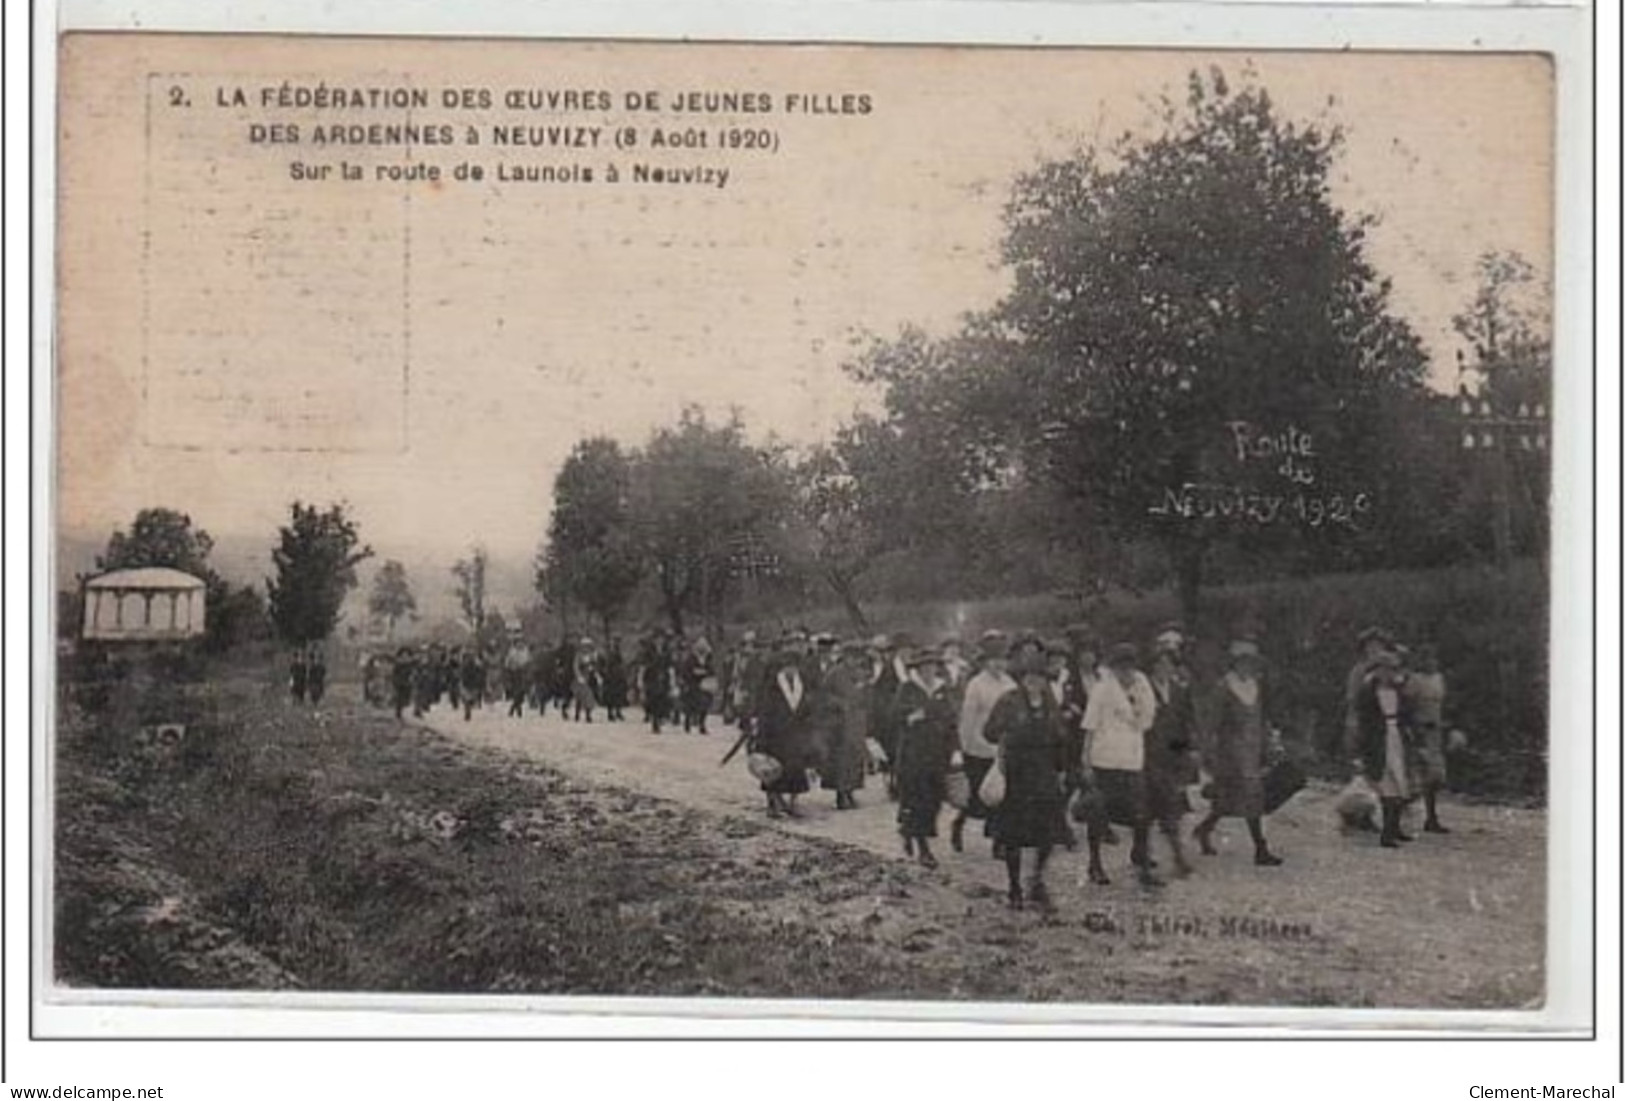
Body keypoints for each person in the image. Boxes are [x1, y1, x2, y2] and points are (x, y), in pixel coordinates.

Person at [984, 650, 1071, 910]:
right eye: (1030, 677)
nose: (1035, 682)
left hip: (1044, 774)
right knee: (1014, 835)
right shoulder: (1008, 701)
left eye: (1040, 677)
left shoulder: (1050, 701)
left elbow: (1061, 737)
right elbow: (988, 731)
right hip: (1017, 775)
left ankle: (1037, 880)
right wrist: (1007, 734)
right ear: (1022, 679)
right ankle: (1014, 887)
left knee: (1047, 834)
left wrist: (1062, 766)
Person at [1193, 638, 1284, 866]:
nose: (1248, 667)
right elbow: (1212, 723)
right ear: (1234, 664)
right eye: (1243, 662)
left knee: (1229, 799)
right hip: (1231, 751)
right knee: (1251, 796)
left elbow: (1262, 718)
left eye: (1251, 663)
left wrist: (1268, 743)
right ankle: (1260, 848)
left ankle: (1204, 829)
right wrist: (1208, 751)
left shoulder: (1256, 686)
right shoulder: (1224, 688)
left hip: (1252, 749)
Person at [1079, 642, 1159, 887]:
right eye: (1121, 668)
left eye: (1130, 667)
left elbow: (1148, 719)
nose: (1126, 672)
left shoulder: (1142, 685)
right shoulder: (1103, 689)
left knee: (1141, 813)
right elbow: (1090, 725)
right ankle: (1095, 864)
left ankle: (1142, 863)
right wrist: (1086, 760)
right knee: (1099, 813)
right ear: (1113, 669)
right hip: (1106, 758)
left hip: (1133, 758)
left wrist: (1137, 705)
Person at [893, 649, 959, 868]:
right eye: (924, 667)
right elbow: (894, 715)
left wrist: (954, 748)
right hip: (914, 754)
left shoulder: (943, 689)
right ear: (918, 669)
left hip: (938, 753)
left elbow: (951, 718)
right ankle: (923, 847)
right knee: (917, 798)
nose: (929, 670)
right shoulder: (908, 688)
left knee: (935, 798)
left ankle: (908, 830)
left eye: (932, 666)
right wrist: (911, 717)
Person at [953, 630, 1016, 857]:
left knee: (1003, 796)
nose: (998, 665)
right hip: (978, 747)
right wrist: (964, 746)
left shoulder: (1009, 683)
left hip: (1002, 748)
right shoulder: (976, 685)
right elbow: (967, 720)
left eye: (1002, 660)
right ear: (985, 662)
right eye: (994, 660)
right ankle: (959, 823)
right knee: (979, 798)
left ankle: (998, 841)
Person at [1144, 640, 1198, 878]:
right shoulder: (1143, 688)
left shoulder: (1179, 691)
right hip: (1148, 755)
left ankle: (1159, 852)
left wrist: (1187, 751)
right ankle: (1175, 856)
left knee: (1169, 807)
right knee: (1157, 807)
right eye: (1159, 664)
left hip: (1172, 757)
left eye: (1169, 664)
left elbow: (1186, 723)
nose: (1164, 669)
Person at [1354, 649, 1418, 848]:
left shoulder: (1398, 692)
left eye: (1394, 669)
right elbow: (1364, 722)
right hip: (1379, 739)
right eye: (1388, 669)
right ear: (1379, 670)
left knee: (1400, 781)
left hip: (1396, 736)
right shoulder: (1368, 692)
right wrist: (1363, 746)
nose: (1391, 673)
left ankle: (1395, 827)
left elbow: (1406, 714)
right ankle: (1387, 832)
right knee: (1387, 783)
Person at [754, 634, 815, 818]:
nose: (791, 671)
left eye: (794, 667)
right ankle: (772, 802)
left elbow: (806, 707)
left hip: (796, 734)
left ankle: (792, 802)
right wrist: (762, 738)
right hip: (776, 734)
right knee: (773, 771)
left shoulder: (801, 683)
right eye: (788, 667)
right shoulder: (772, 685)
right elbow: (765, 711)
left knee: (796, 771)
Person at [1341, 626, 1393, 833]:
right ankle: (1353, 812)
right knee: (1363, 770)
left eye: (1379, 646)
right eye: (1371, 646)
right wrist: (1355, 725)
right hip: (1361, 723)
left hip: (1381, 725)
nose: (1375, 650)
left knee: (1377, 771)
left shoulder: (1384, 672)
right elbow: (1353, 700)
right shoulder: (1360, 671)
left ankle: (1363, 813)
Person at [1402, 642, 1452, 833]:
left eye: (1433, 658)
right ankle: (1402, 808)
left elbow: (1444, 704)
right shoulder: (1414, 680)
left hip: (1436, 731)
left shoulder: (1439, 679)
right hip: (1420, 731)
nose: (1431, 662)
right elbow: (1406, 706)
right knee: (1422, 774)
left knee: (1437, 776)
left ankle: (1431, 817)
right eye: (1426, 658)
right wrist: (1415, 729)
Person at [820, 639, 871, 810]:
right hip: (839, 724)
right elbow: (824, 695)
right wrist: (839, 703)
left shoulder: (860, 673)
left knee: (855, 758)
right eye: (851, 657)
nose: (854, 661)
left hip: (857, 721)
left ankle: (851, 790)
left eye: (856, 657)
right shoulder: (834, 673)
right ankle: (841, 794)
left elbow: (866, 694)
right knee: (841, 759)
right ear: (845, 657)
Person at [642, 632, 674, 733]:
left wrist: (671, 677)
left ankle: (661, 717)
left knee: (663, 700)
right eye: (657, 639)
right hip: (652, 678)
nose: (659, 641)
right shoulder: (649, 651)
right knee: (653, 700)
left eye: (661, 639)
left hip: (664, 678)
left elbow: (670, 665)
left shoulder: (667, 651)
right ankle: (654, 721)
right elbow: (644, 665)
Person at [572, 638, 601, 723]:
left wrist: (596, 674)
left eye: (588, 646)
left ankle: (588, 715)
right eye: (585, 646)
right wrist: (579, 676)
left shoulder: (592, 655)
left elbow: (595, 666)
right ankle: (577, 714)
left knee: (589, 697)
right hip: (580, 679)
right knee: (579, 697)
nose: (587, 648)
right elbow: (575, 666)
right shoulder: (579, 655)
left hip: (589, 678)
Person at [602, 637, 630, 722]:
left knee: (619, 694)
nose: (616, 645)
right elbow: (607, 665)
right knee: (611, 695)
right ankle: (610, 713)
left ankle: (618, 711)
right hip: (611, 677)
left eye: (617, 643)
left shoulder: (618, 653)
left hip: (618, 676)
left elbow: (622, 663)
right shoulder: (610, 654)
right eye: (615, 643)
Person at [503, 638, 532, 718]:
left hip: (523, 673)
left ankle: (514, 709)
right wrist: (510, 669)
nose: (520, 644)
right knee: (517, 692)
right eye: (518, 643)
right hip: (515, 673)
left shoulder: (525, 650)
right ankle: (516, 710)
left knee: (521, 693)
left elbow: (528, 661)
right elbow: (507, 663)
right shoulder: (512, 651)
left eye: (521, 642)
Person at [459, 646, 485, 721]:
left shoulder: (476, 663)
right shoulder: (465, 664)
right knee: (467, 698)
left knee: (470, 698)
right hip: (467, 682)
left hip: (472, 683)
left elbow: (480, 671)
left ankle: (469, 707)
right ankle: (468, 711)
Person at [390, 646, 415, 720]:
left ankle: (407, 712)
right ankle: (399, 712)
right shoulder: (398, 665)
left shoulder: (411, 665)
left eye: (407, 655)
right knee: (400, 699)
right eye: (403, 655)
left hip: (408, 684)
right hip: (400, 684)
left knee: (408, 698)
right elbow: (395, 674)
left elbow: (413, 673)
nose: (405, 657)